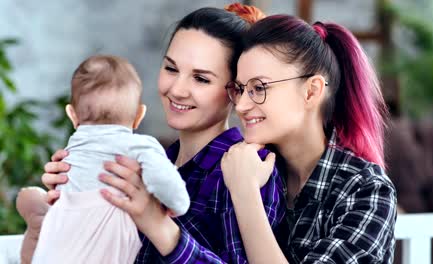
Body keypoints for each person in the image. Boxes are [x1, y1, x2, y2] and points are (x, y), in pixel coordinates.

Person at [38, 4, 284, 263]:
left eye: (201, 79)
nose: (177, 89)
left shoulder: (249, 172)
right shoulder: (149, 160)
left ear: (235, 91)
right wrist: (76, 196)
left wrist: (159, 226)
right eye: (171, 68)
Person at [221, 15, 397, 263]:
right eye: (239, 89)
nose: (240, 105)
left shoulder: (365, 190)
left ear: (311, 91)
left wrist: (245, 194)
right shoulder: (246, 164)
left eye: (258, 88)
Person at [16, 55, 190, 263]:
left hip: (61, 227)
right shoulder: (139, 145)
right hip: (104, 236)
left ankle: (41, 221)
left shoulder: (73, 146)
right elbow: (164, 179)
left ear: (72, 115)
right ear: (139, 116)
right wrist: (176, 205)